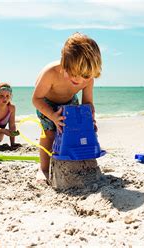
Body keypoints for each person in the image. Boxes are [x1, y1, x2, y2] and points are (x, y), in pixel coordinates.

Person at [32, 32, 102, 182]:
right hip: (46, 102)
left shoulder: (87, 78)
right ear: (64, 64)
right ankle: (43, 168)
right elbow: (36, 99)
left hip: (70, 100)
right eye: (73, 74)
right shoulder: (50, 73)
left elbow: (88, 103)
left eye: (85, 76)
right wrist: (52, 116)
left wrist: (90, 120)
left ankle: (74, 159)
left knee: (75, 132)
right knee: (49, 133)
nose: (79, 80)